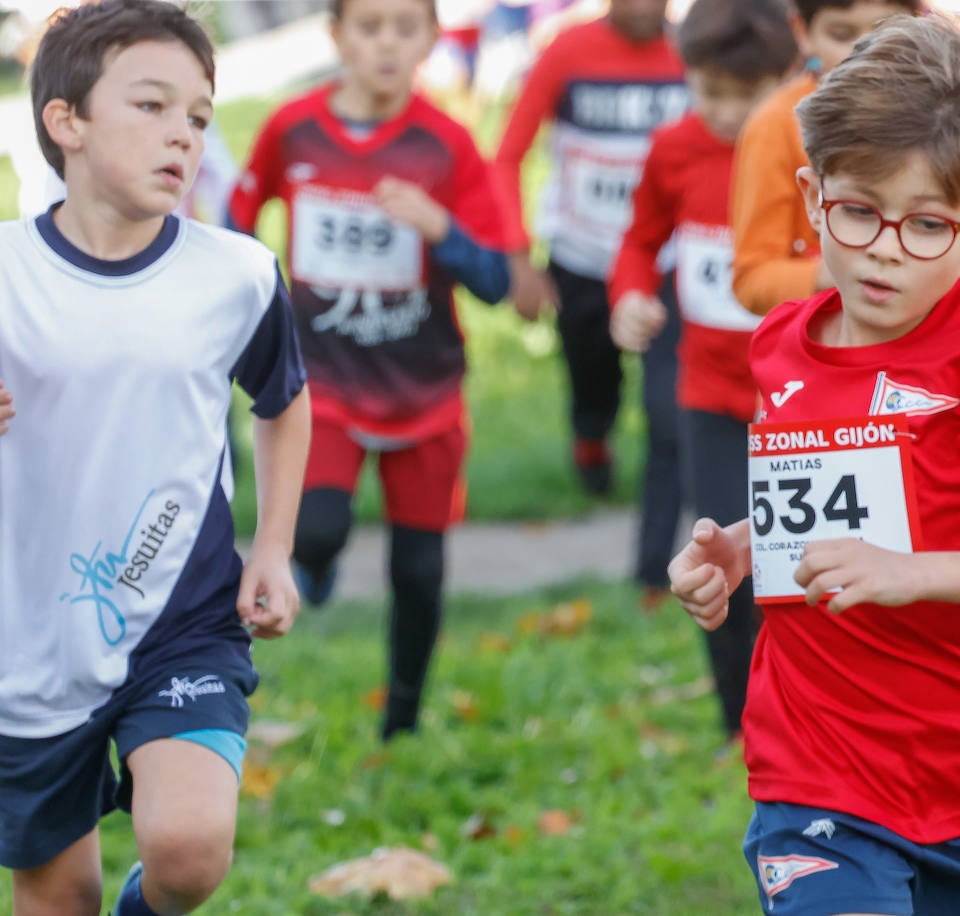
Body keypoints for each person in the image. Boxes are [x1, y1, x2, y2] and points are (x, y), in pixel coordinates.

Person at [669, 15, 960, 914]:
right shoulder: (779, 346)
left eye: (927, 224)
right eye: (859, 211)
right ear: (812, 198)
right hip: (814, 759)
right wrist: (741, 547)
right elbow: (833, 507)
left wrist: (913, 574)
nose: (885, 246)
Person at [0, 1, 311, 913]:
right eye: (151, 107)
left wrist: (274, 547)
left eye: (199, 118)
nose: (183, 135)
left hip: (180, 612)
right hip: (28, 634)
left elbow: (284, 403)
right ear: (67, 123)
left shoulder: (237, 276)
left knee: (188, 851)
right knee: (58, 900)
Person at [228, 0, 511, 741]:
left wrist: (439, 228)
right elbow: (236, 223)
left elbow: (497, 279)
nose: (386, 44)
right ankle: (315, 569)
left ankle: (402, 722)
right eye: (369, 26)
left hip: (424, 388)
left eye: (404, 27)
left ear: (431, 39)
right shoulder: (291, 128)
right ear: (338, 36)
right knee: (314, 531)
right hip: (322, 382)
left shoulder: (447, 145)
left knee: (418, 572)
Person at [608, 0, 797, 731]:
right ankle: (738, 724)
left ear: (785, 76)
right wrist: (630, 296)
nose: (725, 112)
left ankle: (804, 712)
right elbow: (639, 240)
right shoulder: (675, 148)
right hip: (711, 392)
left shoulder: (808, 144)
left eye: (745, 95)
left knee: (794, 564)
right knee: (719, 559)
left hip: (800, 403)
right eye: (708, 91)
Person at [493, 0, 690, 598]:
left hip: (669, 261)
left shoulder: (691, 54)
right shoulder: (568, 51)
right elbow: (507, 155)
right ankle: (591, 441)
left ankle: (654, 569)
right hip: (584, 255)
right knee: (593, 380)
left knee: (671, 411)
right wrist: (518, 256)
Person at [729, 0, 960, 319]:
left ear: (918, 25)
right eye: (842, 33)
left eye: (885, 31)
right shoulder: (775, 126)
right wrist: (851, 268)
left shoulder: (951, 122)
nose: (866, 52)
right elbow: (752, 280)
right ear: (803, 32)